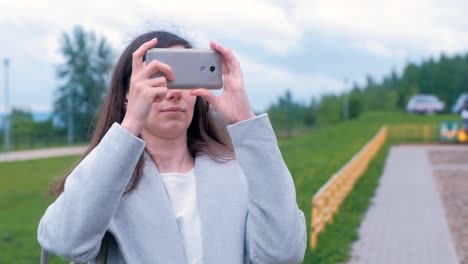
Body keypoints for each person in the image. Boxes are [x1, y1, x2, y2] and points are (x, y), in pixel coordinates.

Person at [37, 31, 306, 264]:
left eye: (183, 78)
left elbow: (284, 254)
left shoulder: (238, 174)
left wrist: (247, 122)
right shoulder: (105, 181)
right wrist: (130, 125)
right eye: (158, 77)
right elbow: (65, 240)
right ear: (128, 93)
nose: (173, 92)